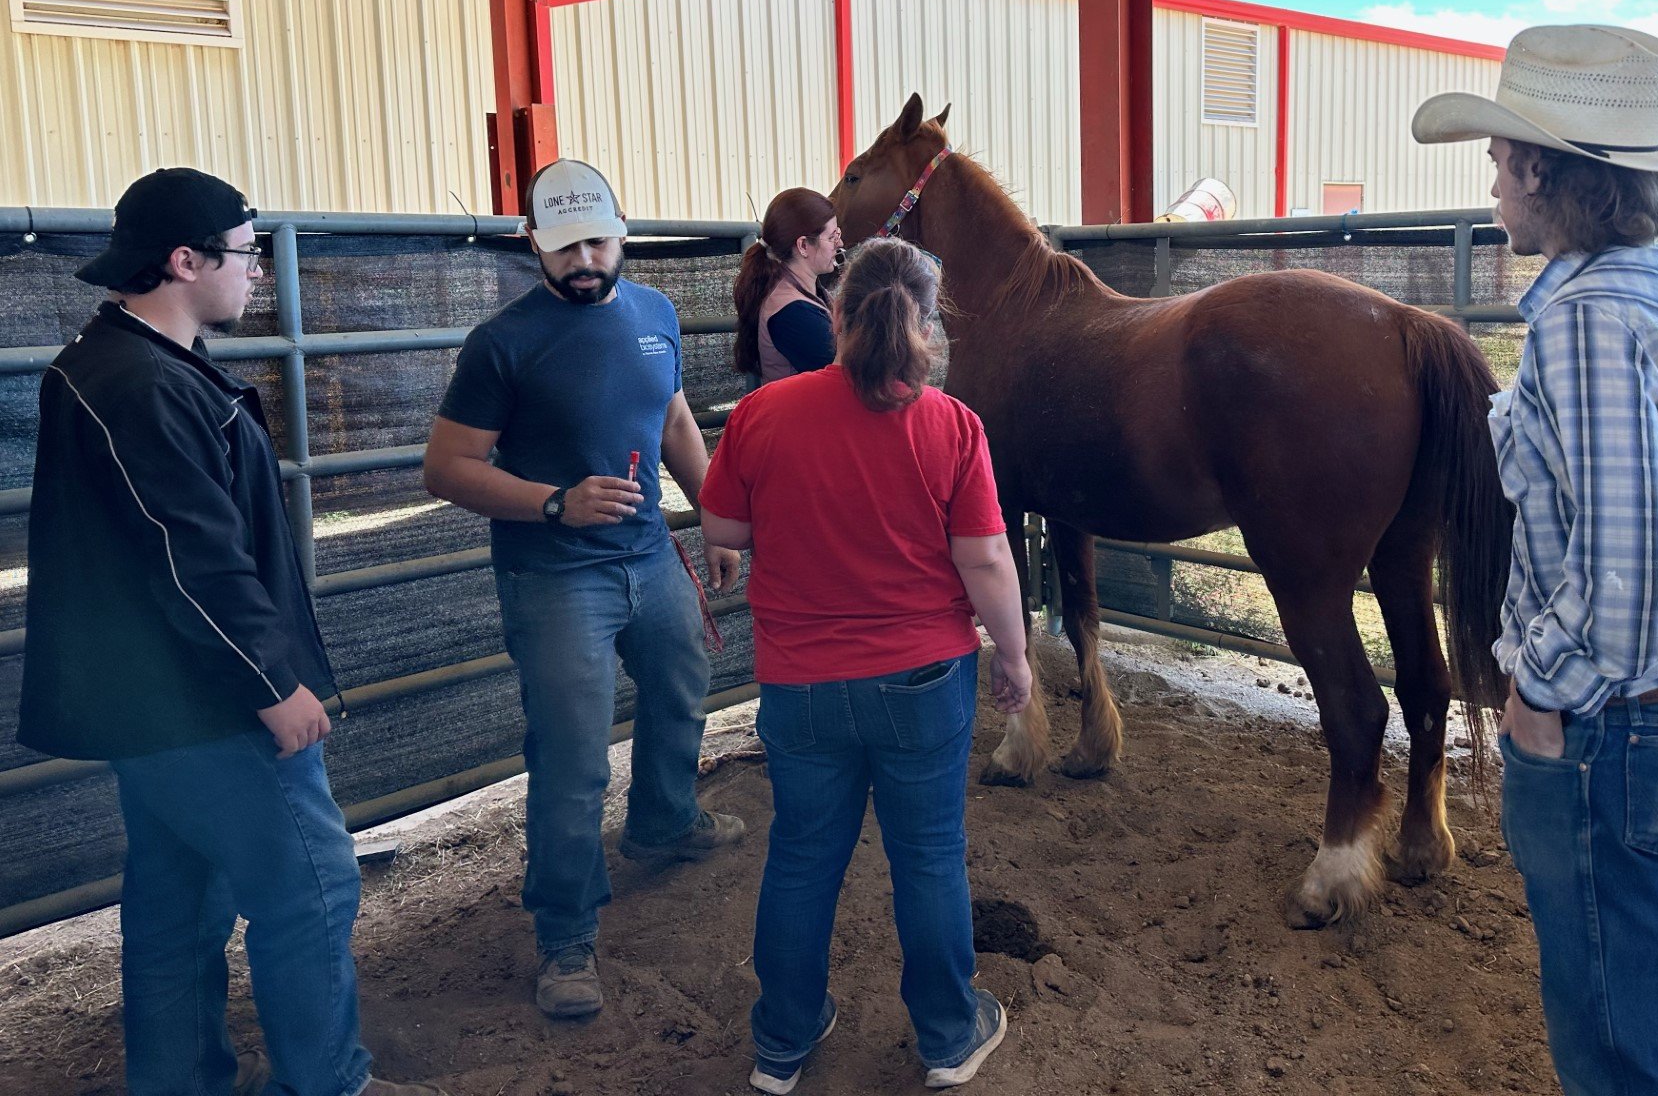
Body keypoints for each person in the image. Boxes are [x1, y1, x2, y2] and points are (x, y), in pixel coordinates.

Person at [18, 168, 444, 1096]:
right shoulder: (140, 383)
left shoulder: (115, 363)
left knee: (176, 906)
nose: (257, 275)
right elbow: (191, 557)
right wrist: (272, 684)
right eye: (247, 255)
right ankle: (328, 1083)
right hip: (208, 704)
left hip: (153, 704)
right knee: (312, 886)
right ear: (184, 260)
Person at [1412, 24, 1658, 1095]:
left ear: (1541, 169)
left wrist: (1537, 694)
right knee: (1637, 1000)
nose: (1492, 174)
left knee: (1614, 1039)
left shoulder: (1589, 320)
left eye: (1500, 154)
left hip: (1611, 728)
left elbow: (1627, 587)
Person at [699, 237, 1032, 1093]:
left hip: (800, 681)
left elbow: (726, 534)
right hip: (924, 677)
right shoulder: (951, 424)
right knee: (928, 856)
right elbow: (988, 560)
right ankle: (950, 1037)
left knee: (804, 855)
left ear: (837, 313)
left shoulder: (763, 414)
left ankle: (783, 1042)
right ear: (928, 322)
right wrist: (1016, 657)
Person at [423, 157, 744, 1020]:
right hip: (556, 573)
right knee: (570, 759)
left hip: (648, 556)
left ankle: (666, 822)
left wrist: (712, 515)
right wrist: (554, 503)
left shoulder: (656, 313)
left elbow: (672, 417)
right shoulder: (503, 343)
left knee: (683, 689)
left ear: (623, 233)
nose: (584, 260)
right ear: (533, 244)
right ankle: (565, 933)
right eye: (564, 247)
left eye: (598, 241)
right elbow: (446, 467)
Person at [733, 187, 843, 383]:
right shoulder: (793, 312)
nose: (840, 243)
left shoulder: (802, 292)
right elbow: (846, 376)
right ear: (803, 246)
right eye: (832, 236)